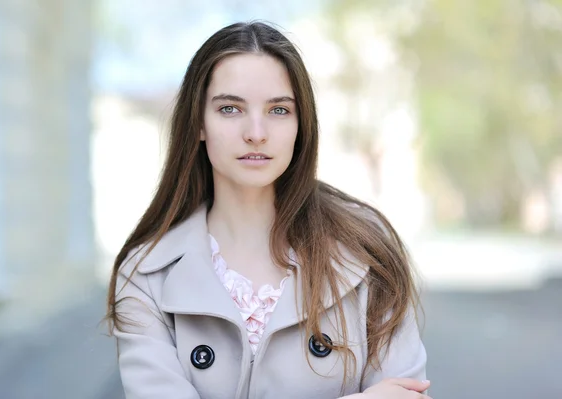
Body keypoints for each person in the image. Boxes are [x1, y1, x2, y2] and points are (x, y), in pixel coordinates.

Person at [107, 21, 429, 399]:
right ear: (198, 123)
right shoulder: (146, 277)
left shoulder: (365, 252)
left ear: (301, 124)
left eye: (278, 110)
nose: (256, 132)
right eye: (230, 108)